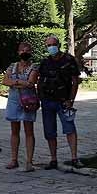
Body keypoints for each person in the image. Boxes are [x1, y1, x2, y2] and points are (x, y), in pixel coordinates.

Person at [36, 35, 82, 170]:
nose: (51, 47)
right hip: (47, 101)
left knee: (69, 128)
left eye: (53, 44)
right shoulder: (45, 62)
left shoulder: (69, 60)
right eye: (48, 45)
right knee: (49, 132)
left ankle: (74, 158)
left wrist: (71, 100)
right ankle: (53, 159)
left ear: (58, 45)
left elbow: (75, 81)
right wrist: (40, 97)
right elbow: (39, 81)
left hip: (64, 101)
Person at [2, 42, 38, 171]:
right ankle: (14, 159)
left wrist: (14, 82)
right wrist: (20, 82)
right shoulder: (12, 66)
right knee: (14, 130)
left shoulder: (34, 67)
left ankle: (29, 161)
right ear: (18, 52)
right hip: (14, 101)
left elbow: (31, 82)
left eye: (27, 50)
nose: (24, 52)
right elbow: (5, 81)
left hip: (28, 102)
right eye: (22, 50)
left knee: (29, 130)